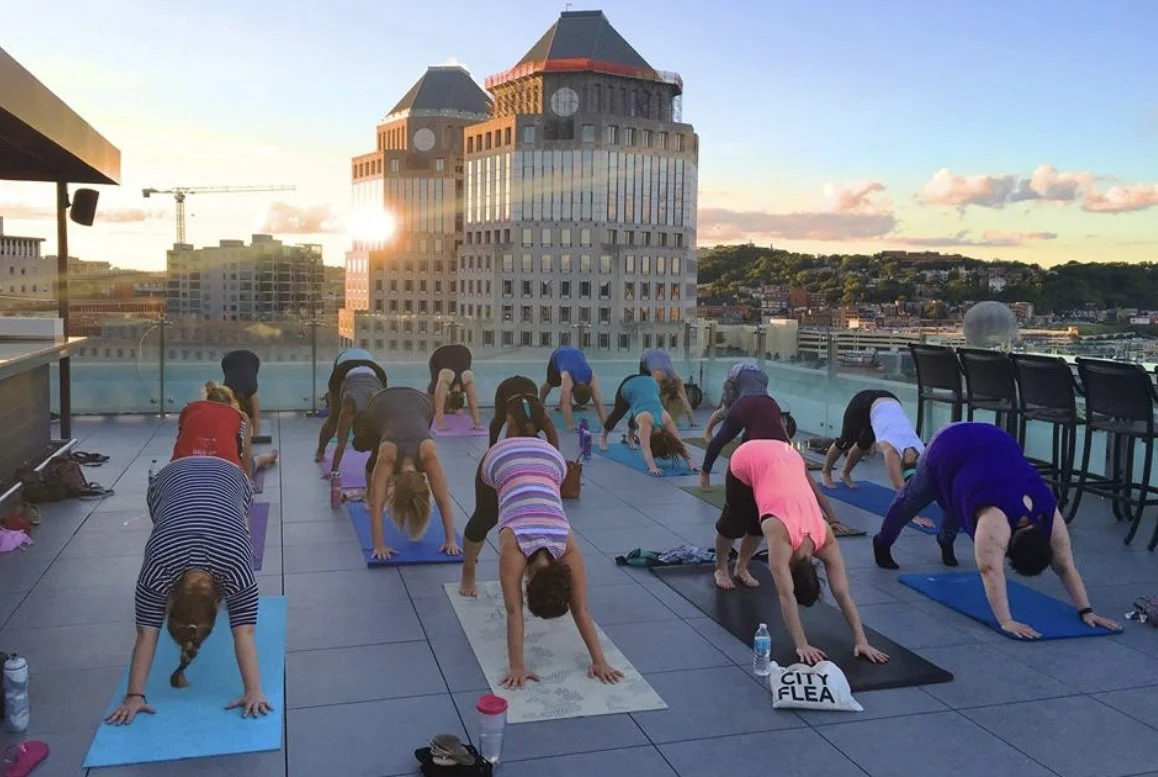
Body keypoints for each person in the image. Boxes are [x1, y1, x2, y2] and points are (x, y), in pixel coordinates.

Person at [872, 422, 1121, 639]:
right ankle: (882, 542)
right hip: (949, 445)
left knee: (960, 498)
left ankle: (945, 539)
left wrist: (1086, 610)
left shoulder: (1049, 516)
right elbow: (991, 570)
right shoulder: (996, 523)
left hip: (994, 441)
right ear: (1009, 545)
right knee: (912, 499)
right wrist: (1006, 621)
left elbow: (1065, 565)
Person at [459, 408, 624, 689]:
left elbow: (576, 608)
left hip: (552, 459)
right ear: (529, 580)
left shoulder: (567, 544)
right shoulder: (515, 548)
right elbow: (516, 611)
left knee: (488, 513)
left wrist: (600, 660)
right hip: (499, 456)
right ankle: (467, 573)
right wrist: (516, 667)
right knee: (484, 515)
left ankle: (469, 570)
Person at [104, 455, 272, 725]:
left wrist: (135, 696)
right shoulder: (165, 565)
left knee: (226, 522)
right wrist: (253, 691)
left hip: (230, 478)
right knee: (167, 521)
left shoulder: (163, 568)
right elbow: (246, 631)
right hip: (171, 482)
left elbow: (146, 633)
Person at [712, 439, 890, 665]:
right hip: (748, 456)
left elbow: (842, 593)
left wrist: (862, 640)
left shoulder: (825, 537)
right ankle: (721, 567)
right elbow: (786, 596)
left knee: (760, 522)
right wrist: (801, 644)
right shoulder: (783, 538)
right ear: (792, 570)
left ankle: (740, 566)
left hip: (789, 454)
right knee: (734, 522)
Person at [698, 393, 859, 536]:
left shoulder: (793, 459)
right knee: (722, 439)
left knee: (760, 438)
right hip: (744, 406)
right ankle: (704, 472)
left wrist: (833, 519)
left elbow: (814, 490)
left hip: (770, 405)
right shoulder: (766, 458)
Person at [364, 386, 461, 560]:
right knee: (371, 452)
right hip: (380, 405)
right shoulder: (388, 456)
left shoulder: (428, 455)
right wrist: (378, 546)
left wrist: (451, 540)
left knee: (404, 436)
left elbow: (442, 500)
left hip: (421, 404)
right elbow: (376, 503)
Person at [173, 382, 277, 481]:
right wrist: (248, 483)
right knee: (255, 462)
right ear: (231, 404)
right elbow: (246, 462)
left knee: (255, 461)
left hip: (188, 469)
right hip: (226, 470)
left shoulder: (193, 414)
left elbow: (180, 447)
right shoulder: (239, 418)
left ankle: (268, 457)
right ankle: (270, 457)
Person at [822, 390, 923, 491]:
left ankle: (845, 474)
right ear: (900, 465)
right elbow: (900, 488)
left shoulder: (923, 452)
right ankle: (826, 471)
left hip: (889, 404)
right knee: (846, 442)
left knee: (864, 444)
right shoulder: (892, 450)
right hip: (863, 402)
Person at [598, 374, 697, 476]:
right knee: (619, 412)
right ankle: (603, 436)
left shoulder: (666, 418)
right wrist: (652, 467)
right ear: (652, 442)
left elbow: (679, 442)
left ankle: (629, 437)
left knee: (639, 409)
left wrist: (691, 463)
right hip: (629, 384)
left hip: (651, 383)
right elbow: (645, 447)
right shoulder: (646, 422)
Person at [314, 347, 389, 475]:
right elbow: (341, 444)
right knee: (334, 417)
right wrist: (334, 471)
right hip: (344, 368)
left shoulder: (375, 410)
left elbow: (342, 444)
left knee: (335, 418)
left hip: (374, 371)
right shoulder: (350, 408)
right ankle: (320, 451)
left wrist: (334, 471)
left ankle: (320, 452)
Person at [539, 345, 607, 430]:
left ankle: (560, 405)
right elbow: (566, 402)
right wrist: (569, 424)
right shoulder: (567, 376)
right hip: (559, 355)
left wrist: (605, 423)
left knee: (566, 391)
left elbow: (598, 401)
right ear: (573, 391)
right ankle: (540, 404)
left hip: (576, 353)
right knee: (550, 384)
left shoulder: (592, 377)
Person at [703, 362, 770, 442]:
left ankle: (733, 433)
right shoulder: (747, 387)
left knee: (745, 412)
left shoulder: (763, 384)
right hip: (734, 379)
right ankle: (708, 430)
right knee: (727, 410)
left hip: (748, 380)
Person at [489, 375, 560, 448]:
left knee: (499, 420)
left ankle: (491, 447)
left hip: (529, 386)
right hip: (506, 388)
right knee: (499, 418)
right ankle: (491, 446)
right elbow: (508, 449)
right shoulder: (514, 424)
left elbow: (556, 449)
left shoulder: (544, 420)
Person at [428, 343, 483, 431]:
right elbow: (474, 406)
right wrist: (477, 424)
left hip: (457, 353)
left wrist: (441, 425)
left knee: (438, 398)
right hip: (455, 353)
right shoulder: (467, 378)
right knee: (435, 390)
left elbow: (439, 410)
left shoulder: (447, 376)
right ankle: (455, 409)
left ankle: (455, 409)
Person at [639, 348, 696, 427]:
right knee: (649, 392)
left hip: (660, 360)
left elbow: (685, 401)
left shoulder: (677, 380)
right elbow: (651, 398)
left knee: (678, 398)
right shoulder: (658, 376)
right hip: (647, 358)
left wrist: (692, 421)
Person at [220, 349, 263, 438]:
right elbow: (257, 416)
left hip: (234, 361)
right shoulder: (251, 390)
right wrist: (256, 435)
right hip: (245, 360)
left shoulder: (230, 391)